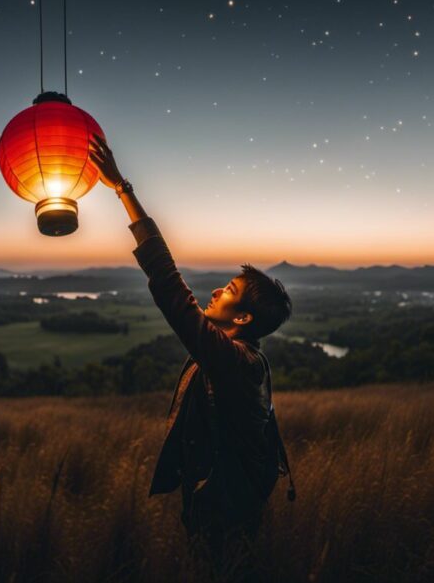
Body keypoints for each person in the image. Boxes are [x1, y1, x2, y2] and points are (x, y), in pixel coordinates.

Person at [89, 134, 296, 582]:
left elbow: (168, 285)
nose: (217, 290)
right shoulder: (237, 357)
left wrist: (123, 190)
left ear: (241, 318)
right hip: (220, 495)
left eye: (230, 292)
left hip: (227, 506)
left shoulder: (236, 362)